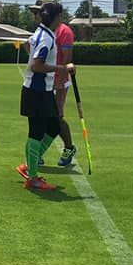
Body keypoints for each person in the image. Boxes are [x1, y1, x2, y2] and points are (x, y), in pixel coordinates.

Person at [15, 2, 74, 191]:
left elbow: (28, 47)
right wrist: (62, 68)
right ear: (57, 18)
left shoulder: (41, 34)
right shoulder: (46, 38)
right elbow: (36, 65)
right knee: (36, 131)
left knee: (54, 125)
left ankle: (29, 165)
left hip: (43, 90)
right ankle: (32, 177)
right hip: (36, 90)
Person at [53, 16, 77, 166]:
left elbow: (66, 58)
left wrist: (60, 81)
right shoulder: (44, 30)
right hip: (44, 79)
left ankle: (69, 147)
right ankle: (38, 152)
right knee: (42, 116)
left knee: (56, 116)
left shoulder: (64, 31)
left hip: (58, 80)